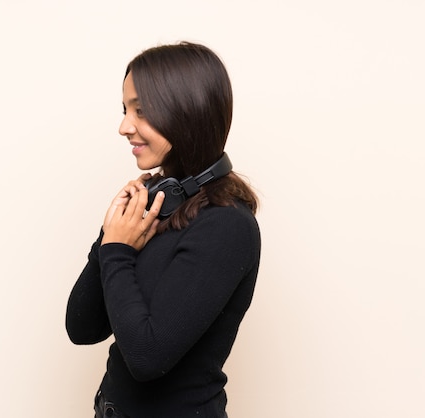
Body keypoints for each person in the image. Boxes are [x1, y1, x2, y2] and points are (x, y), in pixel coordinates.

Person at [65, 41, 261, 418]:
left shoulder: (227, 225)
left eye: (142, 111)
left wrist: (118, 253)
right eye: (125, 110)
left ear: (187, 111)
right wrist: (110, 234)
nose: (124, 126)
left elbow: (147, 356)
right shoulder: (156, 206)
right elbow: (82, 327)